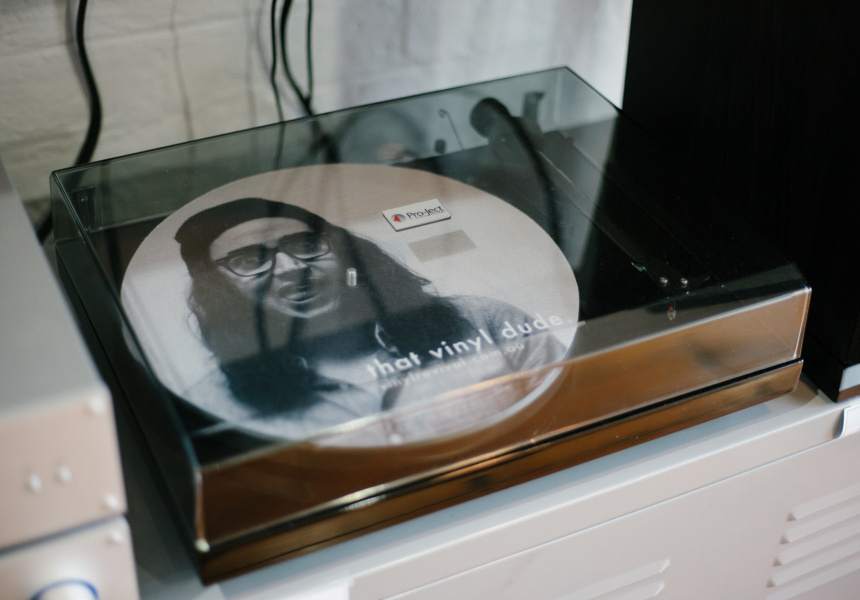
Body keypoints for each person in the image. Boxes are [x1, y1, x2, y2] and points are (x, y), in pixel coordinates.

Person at [174, 197, 565, 441]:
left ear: (344, 253)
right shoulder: (211, 403)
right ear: (219, 291)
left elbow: (566, 408)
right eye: (249, 261)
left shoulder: (484, 319)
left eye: (305, 245)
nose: (292, 268)